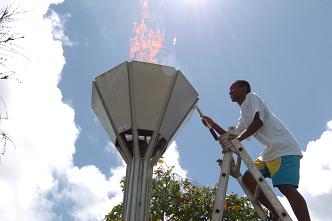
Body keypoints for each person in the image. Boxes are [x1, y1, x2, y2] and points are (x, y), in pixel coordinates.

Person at [202, 80, 310, 221]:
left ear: (243, 88)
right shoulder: (243, 114)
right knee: (248, 178)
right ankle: (275, 213)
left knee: (286, 187)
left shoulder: (252, 97)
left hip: (284, 148)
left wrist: (238, 139)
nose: (230, 92)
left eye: (233, 88)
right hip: (268, 153)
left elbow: (258, 122)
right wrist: (213, 124)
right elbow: (232, 137)